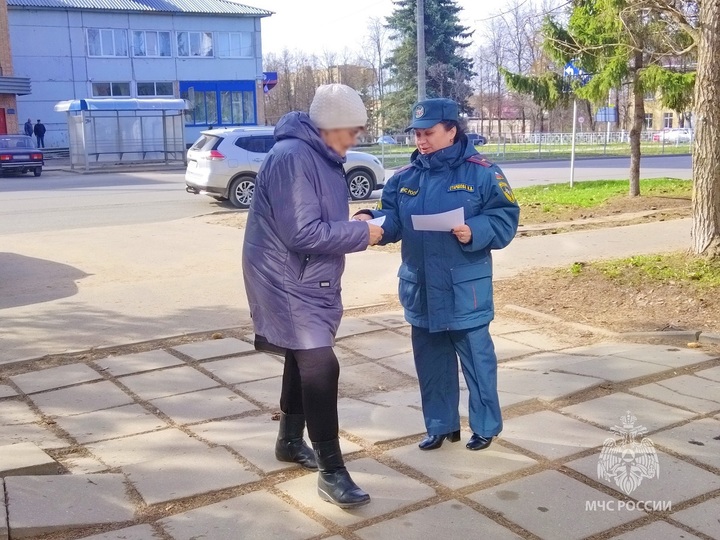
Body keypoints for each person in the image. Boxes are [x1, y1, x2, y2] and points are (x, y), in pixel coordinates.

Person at [242, 84, 383, 508]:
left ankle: (288, 442)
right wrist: (362, 233)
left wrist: (357, 220)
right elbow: (302, 233)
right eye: (352, 130)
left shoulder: (320, 155)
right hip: (284, 277)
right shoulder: (293, 157)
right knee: (321, 366)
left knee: (300, 354)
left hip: (307, 274)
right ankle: (332, 472)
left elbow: (315, 219)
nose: (356, 138)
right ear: (331, 125)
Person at [354, 98, 519, 452]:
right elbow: (391, 217)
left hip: (464, 291)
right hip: (423, 289)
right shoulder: (405, 177)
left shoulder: (482, 173)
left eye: (428, 133)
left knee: (478, 363)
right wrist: (369, 219)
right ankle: (441, 426)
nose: (421, 140)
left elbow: (505, 217)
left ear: (451, 131)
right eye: (416, 134)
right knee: (431, 365)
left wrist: (475, 230)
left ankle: (485, 427)